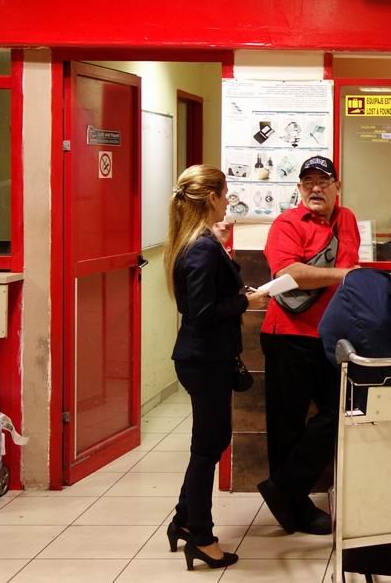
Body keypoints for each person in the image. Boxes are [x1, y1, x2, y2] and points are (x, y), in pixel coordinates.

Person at [165, 165, 270, 571]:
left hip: (202, 357)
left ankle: (182, 519)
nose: (228, 201)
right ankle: (201, 537)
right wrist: (247, 301)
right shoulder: (202, 248)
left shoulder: (198, 242)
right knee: (207, 448)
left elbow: (202, 299)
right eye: (225, 194)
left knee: (210, 441)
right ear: (211, 197)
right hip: (204, 358)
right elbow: (203, 311)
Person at [258, 156, 360, 535]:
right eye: (308, 182)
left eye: (323, 181)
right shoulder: (286, 224)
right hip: (287, 335)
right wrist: (343, 274)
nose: (315, 188)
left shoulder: (347, 219)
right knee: (286, 424)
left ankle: (284, 489)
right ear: (299, 188)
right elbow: (289, 274)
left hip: (330, 336)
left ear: (337, 187)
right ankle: (294, 508)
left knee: (340, 411)